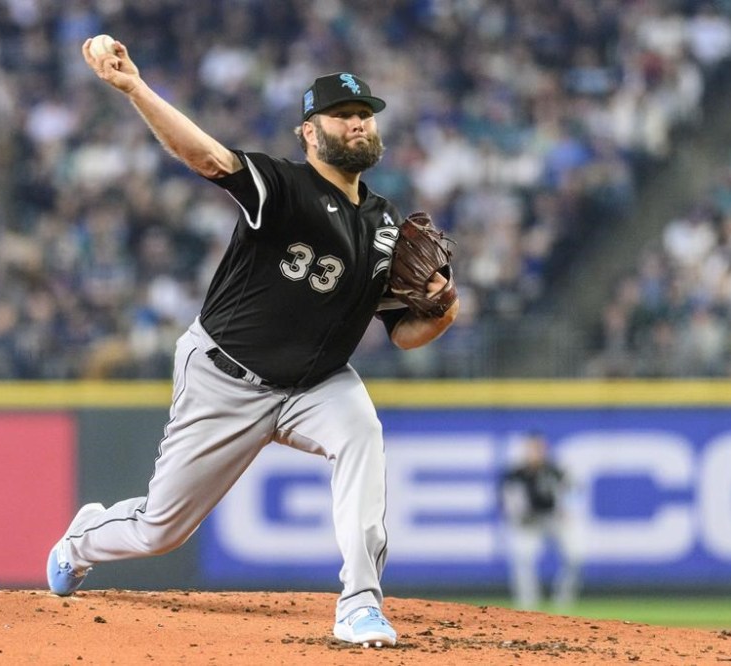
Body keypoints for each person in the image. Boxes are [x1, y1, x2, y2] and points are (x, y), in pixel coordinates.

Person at [44, 37, 460, 649]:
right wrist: (134, 87)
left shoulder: (387, 223)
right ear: (308, 133)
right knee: (161, 530)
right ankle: (84, 540)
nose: (358, 122)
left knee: (363, 435)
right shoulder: (283, 185)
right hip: (226, 378)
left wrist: (446, 309)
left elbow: (404, 335)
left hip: (317, 383)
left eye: (365, 114)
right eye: (343, 114)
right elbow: (208, 158)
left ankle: (360, 601)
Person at [498, 431, 581, 610]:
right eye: (533, 448)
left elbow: (574, 490)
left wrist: (567, 509)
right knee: (523, 558)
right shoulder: (515, 474)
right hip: (527, 522)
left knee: (575, 556)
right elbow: (508, 503)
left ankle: (563, 603)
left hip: (552, 518)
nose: (536, 452)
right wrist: (517, 516)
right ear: (525, 450)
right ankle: (527, 606)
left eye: (540, 448)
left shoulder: (553, 470)